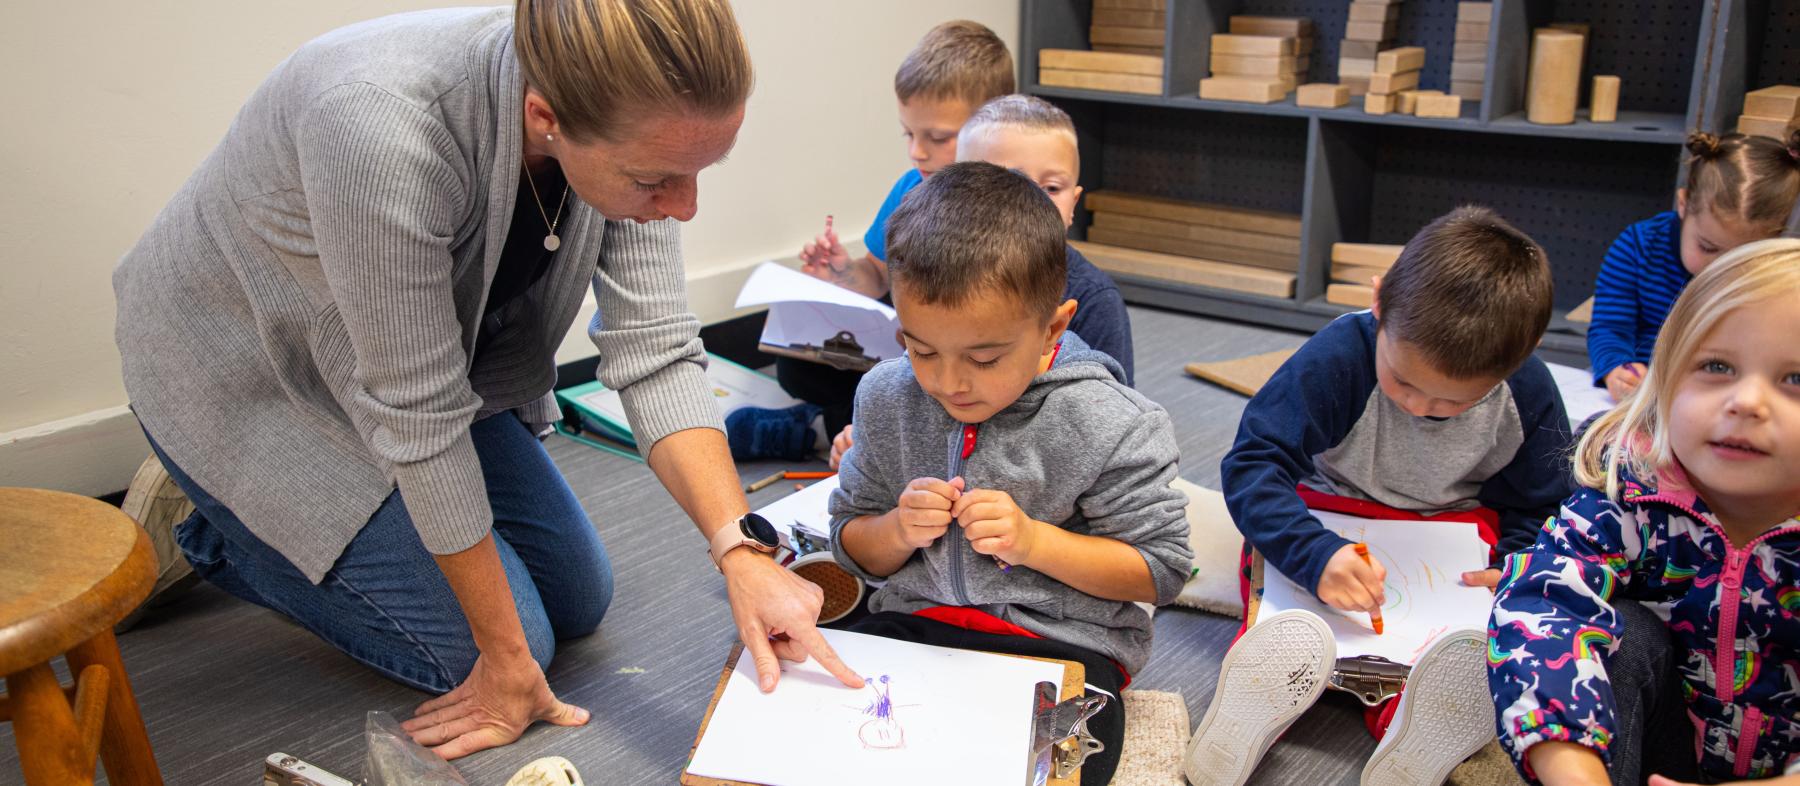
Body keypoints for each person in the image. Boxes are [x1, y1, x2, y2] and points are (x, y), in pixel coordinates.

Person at [111, 0, 859, 760]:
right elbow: (422, 418)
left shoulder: (624, 110)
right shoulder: (377, 126)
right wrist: (504, 663)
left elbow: (657, 348)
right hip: (254, 374)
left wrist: (742, 553)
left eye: (701, 172)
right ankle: (219, 517)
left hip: (413, 367)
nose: (685, 208)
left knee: (576, 599)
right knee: (509, 647)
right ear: (545, 117)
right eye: (656, 180)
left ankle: (264, 512)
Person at [827, 162, 1193, 786]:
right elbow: (850, 543)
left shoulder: (1113, 421)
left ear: (1054, 328)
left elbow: (1160, 571)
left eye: (984, 357)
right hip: (914, 626)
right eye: (921, 350)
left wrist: (1033, 542)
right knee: (837, 747)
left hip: (1062, 649)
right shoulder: (886, 398)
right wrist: (895, 529)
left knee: (1055, 772)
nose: (948, 382)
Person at [1188, 206, 1574, 785]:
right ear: (1378, 303)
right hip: (1327, 513)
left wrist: (1514, 562)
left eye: (1450, 404)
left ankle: (1412, 730)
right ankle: (1262, 700)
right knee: (1283, 610)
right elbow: (1253, 464)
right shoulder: (1338, 357)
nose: (1420, 408)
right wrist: (1313, 554)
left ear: (1519, 358)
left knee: (1457, 649)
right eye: (1404, 381)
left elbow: (1540, 502)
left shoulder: (1530, 390)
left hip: (1456, 532)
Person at [1492, 238, 1800, 786]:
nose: (1747, 401)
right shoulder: (1632, 489)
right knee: (1622, 631)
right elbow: (1542, 601)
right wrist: (1572, 768)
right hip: (1665, 749)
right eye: (1717, 365)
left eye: (1794, 379)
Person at [824, 93, 1136, 470]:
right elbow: (912, 389)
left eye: (1052, 188)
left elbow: (1110, 425)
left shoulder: (1095, 298)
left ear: (1074, 201)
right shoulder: (927, 268)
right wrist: (878, 437)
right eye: (1005, 181)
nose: (1032, 200)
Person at [767, 20, 1014, 443]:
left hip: (966, 361)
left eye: (938, 137)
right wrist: (843, 275)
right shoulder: (910, 187)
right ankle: (844, 429)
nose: (917, 151)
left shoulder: (1011, 202)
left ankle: (823, 430)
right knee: (796, 365)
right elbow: (877, 274)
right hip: (906, 352)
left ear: (996, 123)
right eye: (909, 133)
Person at [1587, 131, 1800, 403]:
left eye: (1743, 256)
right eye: (1708, 247)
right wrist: (1617, 369)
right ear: (1683, 203)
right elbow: (1610, 328)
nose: (1720, 267)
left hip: (1730, 399)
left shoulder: (1777, 271)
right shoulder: (1639, 246)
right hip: (1644, 393)